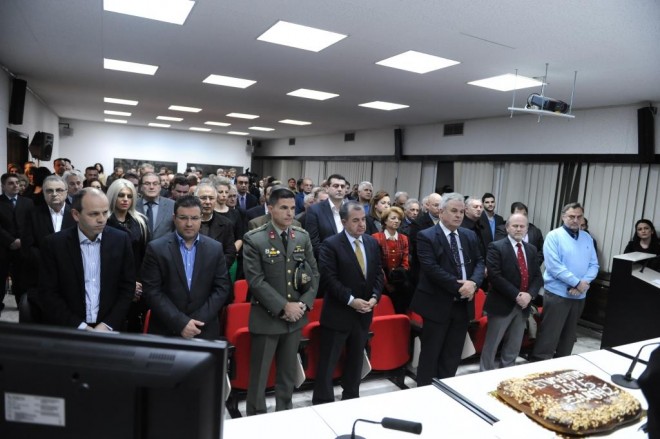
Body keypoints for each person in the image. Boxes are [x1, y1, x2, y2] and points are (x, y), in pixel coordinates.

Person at [243, 188, 319, 415]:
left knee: (287, 375)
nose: (289, 213)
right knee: (259, 376)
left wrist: (302, 305)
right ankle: (255, 416)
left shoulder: (301, 236)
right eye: (284, 208)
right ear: (271, 208)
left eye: (293, 208)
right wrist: (284, 306)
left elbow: (314, 274)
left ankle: (285, 413)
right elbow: (255, 281)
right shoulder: (255, 238)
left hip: (295, 319)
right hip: (267, 318)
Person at [312, 201, 383, 404]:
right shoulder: (331, 244)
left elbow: (378, 273)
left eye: (363, 220)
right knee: (328, 362)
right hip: (338, 313)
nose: (361, 225)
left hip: (364, 314)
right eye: (355, 221)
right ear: (344, 222)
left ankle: (351, 397)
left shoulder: (371, 242)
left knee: (356, 360)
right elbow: (329, 279)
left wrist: (374, 297)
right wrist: (351, 301)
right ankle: (323, 401)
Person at [411, 192, 485, 384]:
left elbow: (479, 262)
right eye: (454, 211)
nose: (458, 215)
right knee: (431, 354)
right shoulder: (426, 235)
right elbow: (431, 268)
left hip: (463, 305)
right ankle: (425, 389)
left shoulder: (469, 235)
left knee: (453, 354)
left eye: (461, 211)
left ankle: (446, 388)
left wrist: (473, 283)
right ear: (441, 212)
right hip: (437, 304)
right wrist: (461, 287)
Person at [38, 188, 135, 330]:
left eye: (105, 212)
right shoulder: (54, 244)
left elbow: (127, 288)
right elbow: (48, 293)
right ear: (76, 215)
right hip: (68, 328)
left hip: (110, 328)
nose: (101, 219)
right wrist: (81, 327)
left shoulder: (121, 240)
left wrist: (107, 325)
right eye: (94, 214)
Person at [141, 195, 231, 339]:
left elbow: (222, 289)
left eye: (194, 218)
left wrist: (194, 323)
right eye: (183, 218)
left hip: (203, 329)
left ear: (201, 218)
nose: (189, 224)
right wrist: (181, 323)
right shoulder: (156, 248)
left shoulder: (215, 249)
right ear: (174, 218)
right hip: (166, 329)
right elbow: (152, 292)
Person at [531, 202, 599, 361]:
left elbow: (594, 265)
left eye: (579, 217)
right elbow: (554, 266)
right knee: (549, 335)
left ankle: (562, 365)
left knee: (569, 337)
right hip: (558, 294)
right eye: (571, 216)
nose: (576, 220)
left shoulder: (587, 237)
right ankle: (540, 364)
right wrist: (577, 283)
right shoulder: (554, 236)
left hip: (580, 295)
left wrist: (583, 283)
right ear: (563, 217)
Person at [480, 213, 542, 371]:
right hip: (502, 304)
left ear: (527, 229)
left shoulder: (531, 249)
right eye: (515, 226)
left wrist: (530, 295)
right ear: (507, 228)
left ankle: (506, 374)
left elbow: (537, 276)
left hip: (523, 306)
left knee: (514, 346)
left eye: (522, 226)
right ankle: (484, 375)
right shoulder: (496, 246)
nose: (519, 229)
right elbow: (495, 276)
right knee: (492, 345)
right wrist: (517, 295)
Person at [106, 179, 150, 331]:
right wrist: (128, 285)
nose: (125, 199)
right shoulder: (104, 221)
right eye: (121, 195)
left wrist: (138, 283)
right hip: (112, 284)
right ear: (113, 196)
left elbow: (145, 256)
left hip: (138, 283)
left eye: (129, 196)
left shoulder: (140, 222)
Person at [0, 173, 34, 312]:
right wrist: (10, 241)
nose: (15, 185)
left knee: (21, 278)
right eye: (11, 183)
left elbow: (31, 224)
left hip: (22, 247)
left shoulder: (28, 202)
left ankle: (21, 304)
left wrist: (21, 241)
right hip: (2, 247)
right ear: (3, 186)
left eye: (17, 183)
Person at [372, 206, 411, 313]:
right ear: (385, 221)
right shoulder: (376, 237)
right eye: (393, 218)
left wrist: (399, 278)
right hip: (381, 283)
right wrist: (386, 283)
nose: (397, 221)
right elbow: (376, 263)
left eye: (399, 219)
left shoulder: (404, 238)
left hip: (400, 284)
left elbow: (405, 261)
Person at [305, 174, 348, 258]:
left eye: (342, 186)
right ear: (327, 188)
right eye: (336, 186)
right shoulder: (315, 210)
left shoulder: (352, 208)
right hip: (327, 260)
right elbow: (314, 242)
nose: (340, 189)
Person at [195, 183, 237, 269]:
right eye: (203, 198)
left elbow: (230, 253)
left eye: (211, 198)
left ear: (216, 200)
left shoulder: (225, 223)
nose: (208, 202)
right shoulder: (187, 222)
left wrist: (216, 269)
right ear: (195, 199)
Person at [136, 172, 175, 241]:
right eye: (147, 184)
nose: (151, 187)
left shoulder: (172, 205)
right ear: (141, 187)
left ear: (160, 187)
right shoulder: (133, 205)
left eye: (155, 184)